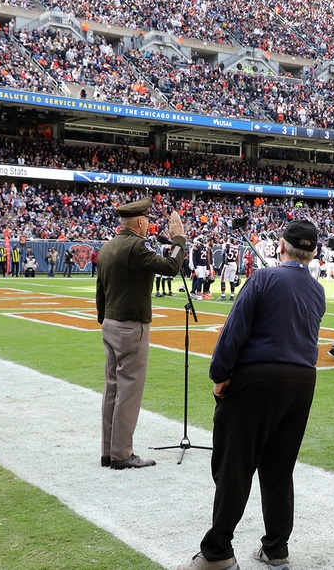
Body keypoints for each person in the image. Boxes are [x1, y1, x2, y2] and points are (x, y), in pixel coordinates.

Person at [178, 220, 326, 570]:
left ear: (282, 246)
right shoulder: (317, 289)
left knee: (234, 466)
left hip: (258, 378)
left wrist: (220, 375)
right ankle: (276, 548)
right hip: (302, 380)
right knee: (279, 468)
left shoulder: (263, 278)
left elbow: (235, 330)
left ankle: (217, 552)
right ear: (313, 252)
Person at [96, 197, 186, 470]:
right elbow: (170, 268)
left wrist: (104, 319)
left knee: (111, 389)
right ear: (140, 222)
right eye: (146, 221)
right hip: (131, 325)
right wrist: (179, 240)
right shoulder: (137, 245)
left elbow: (100, 291)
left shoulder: (107, 247)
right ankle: (122, 453)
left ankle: (108, 451)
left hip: (110, 322)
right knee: (129, 390)